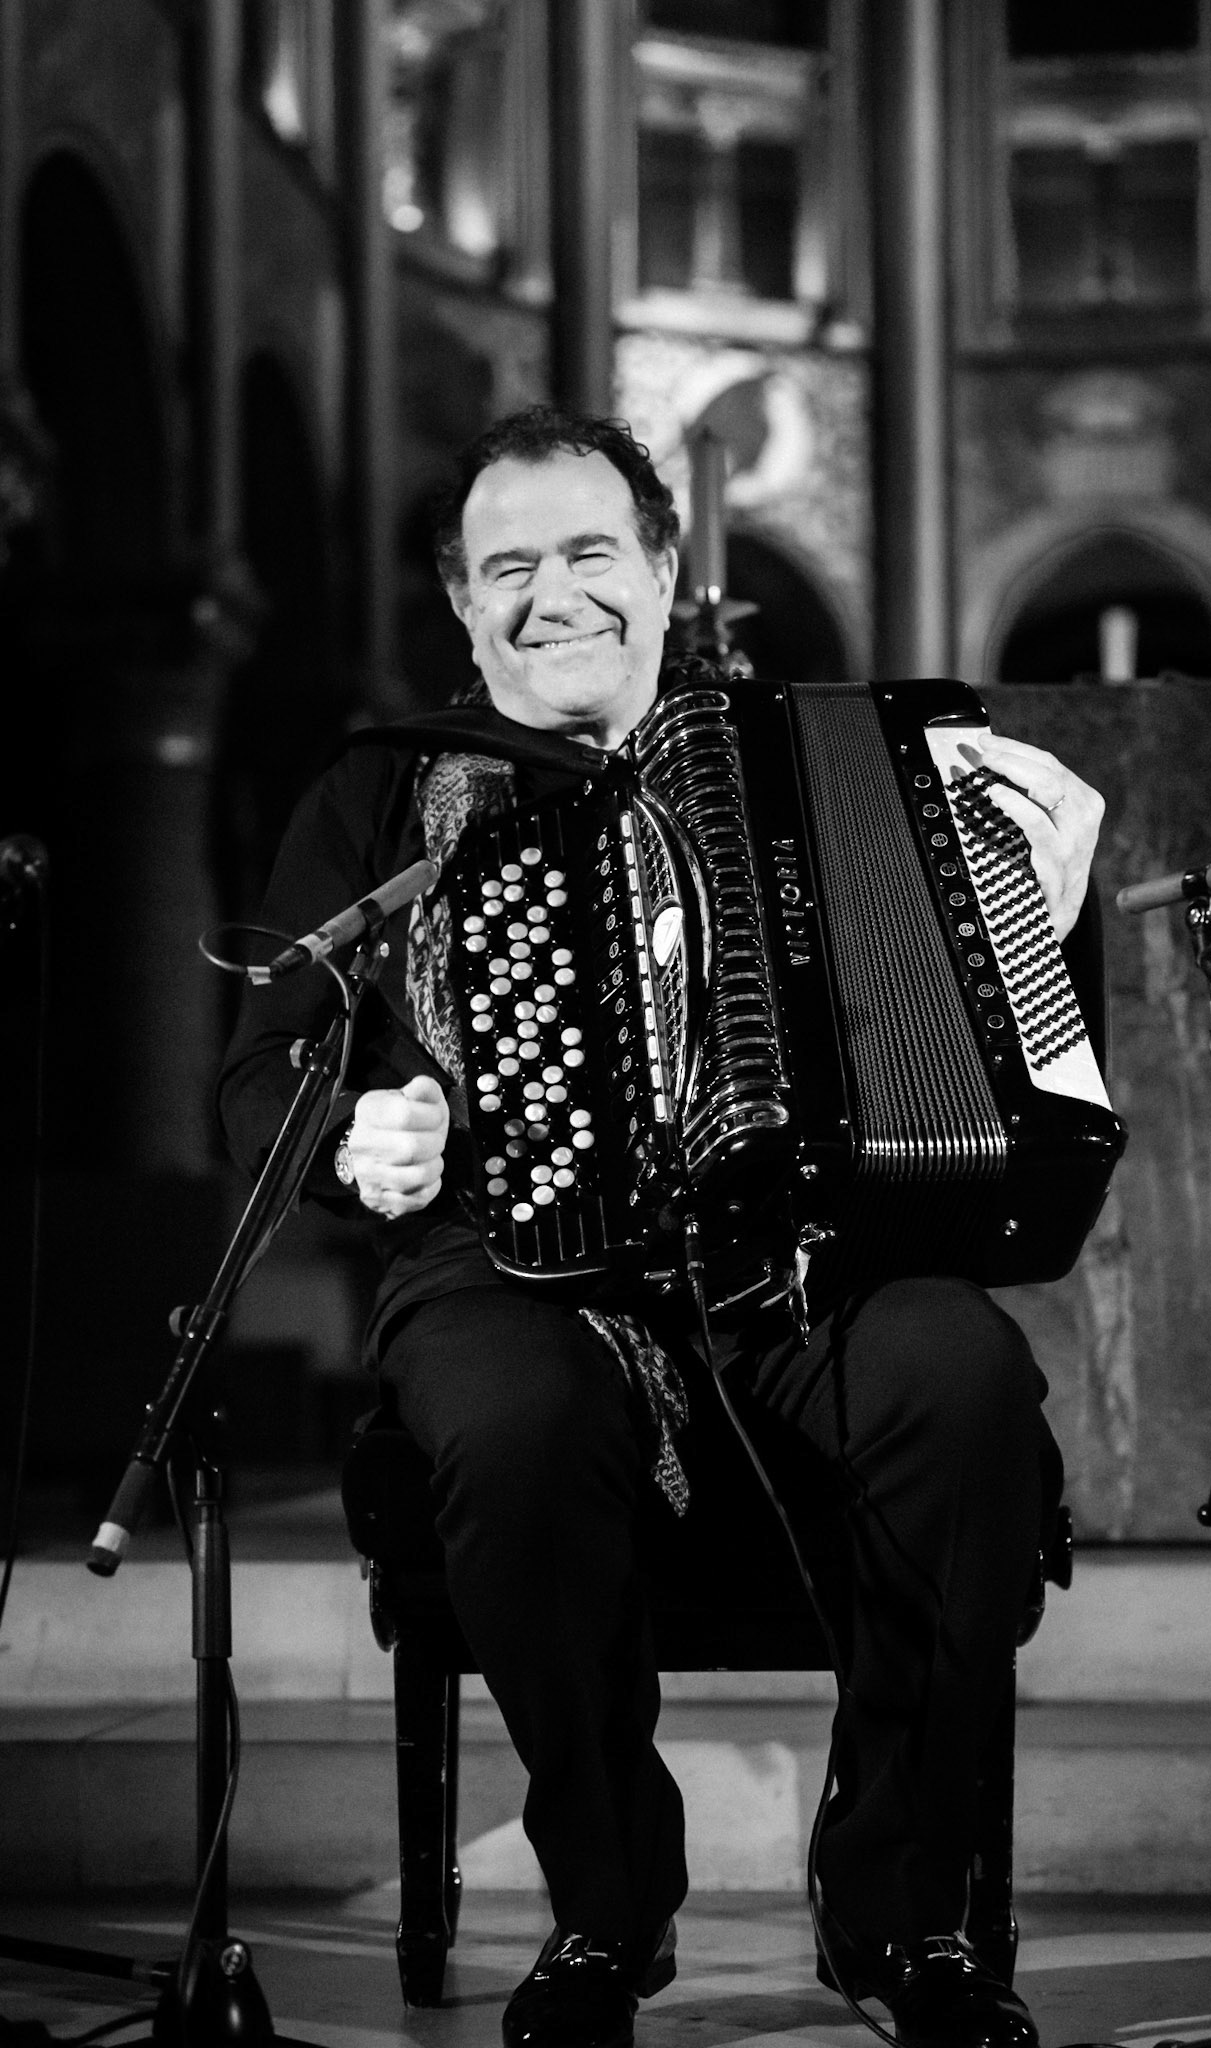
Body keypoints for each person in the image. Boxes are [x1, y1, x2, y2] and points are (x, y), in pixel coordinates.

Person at [218, 406, 1106, 2048]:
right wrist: (357, 1134)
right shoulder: (378, 789)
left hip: (794, 1265)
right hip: (503, 1266)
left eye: (585, 553)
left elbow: (988, 1035)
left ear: (662, 568)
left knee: (962, 1381)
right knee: (509, 1416)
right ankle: (608, 1916)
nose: (550, 594)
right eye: (507, 567)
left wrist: (1038, 912)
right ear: (463, 606)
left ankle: (901, 1914)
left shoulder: (814, 761)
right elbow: (258, 1067)